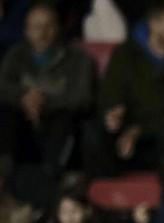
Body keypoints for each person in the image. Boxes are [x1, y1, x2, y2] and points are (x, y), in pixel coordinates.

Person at [83, 0, 164, 176]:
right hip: (126, 136)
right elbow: (109, 95)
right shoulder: (124, 54)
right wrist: (113, 115)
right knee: (93, 132)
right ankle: (99, 190)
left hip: (163, 138)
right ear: (154, 25)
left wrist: (141, 131)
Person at [0, 1, 95, 208]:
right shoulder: (16, 57)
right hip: (24, 132)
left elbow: (82, 97)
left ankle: (50, 184)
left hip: (60, 136)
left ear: (58, 28)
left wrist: (42, 102)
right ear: (25, 31)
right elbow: (3, 87)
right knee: (6, 113)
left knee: (66, 119)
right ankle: (4, 177)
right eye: (35, 27)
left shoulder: (78, 59)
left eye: (48, 26)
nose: (42, 34)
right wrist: (23, 97)